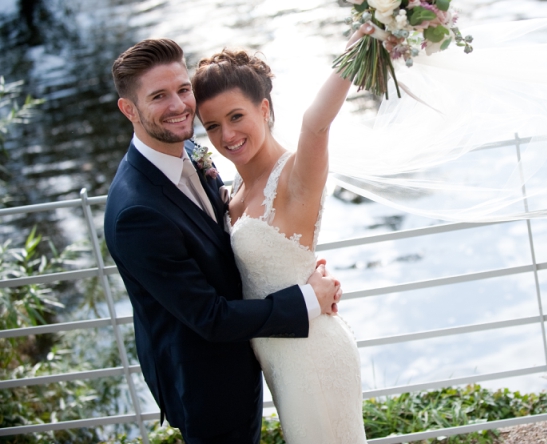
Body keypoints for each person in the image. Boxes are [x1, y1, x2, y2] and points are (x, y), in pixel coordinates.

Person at [103, 38, 342, 444]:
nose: (179, 105)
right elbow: (208, 317)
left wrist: (295, 266)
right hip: (206, 385)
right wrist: (307, 299)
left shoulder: (192, 153)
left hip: (263, 356)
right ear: (129, 109)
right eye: (159, 96)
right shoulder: (136, 213)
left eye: (182, 89)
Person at [189, 26, 375, 443]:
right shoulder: (232, 190)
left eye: (237, 117)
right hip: (277, 358)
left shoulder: (294, 176)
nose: (227, 136)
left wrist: (361, 44)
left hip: (312, 354)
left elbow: (316, 124)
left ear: (265, 108)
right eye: (213, 126)